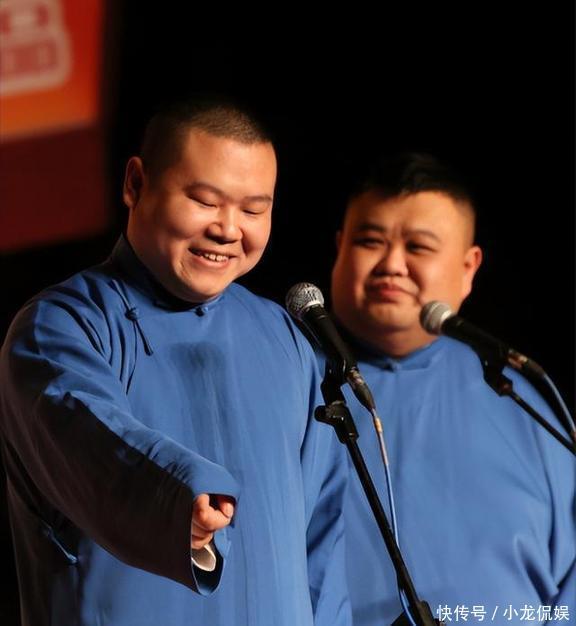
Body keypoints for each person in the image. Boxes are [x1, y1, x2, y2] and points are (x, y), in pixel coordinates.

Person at [0, 97, 351, 626]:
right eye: (205, 201)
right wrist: (179, 498)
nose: (228, 229)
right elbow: (93, 442)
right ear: (135, 184)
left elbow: (321, 540)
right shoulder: (61, 325)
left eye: (253, 210)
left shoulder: (288, 339)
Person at [325, 153, 575, 625]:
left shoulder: (519, 396)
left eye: (418, 247)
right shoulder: (290, 378)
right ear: (339, 249)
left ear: (468, 267)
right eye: (369, 241)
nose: (392, 265)